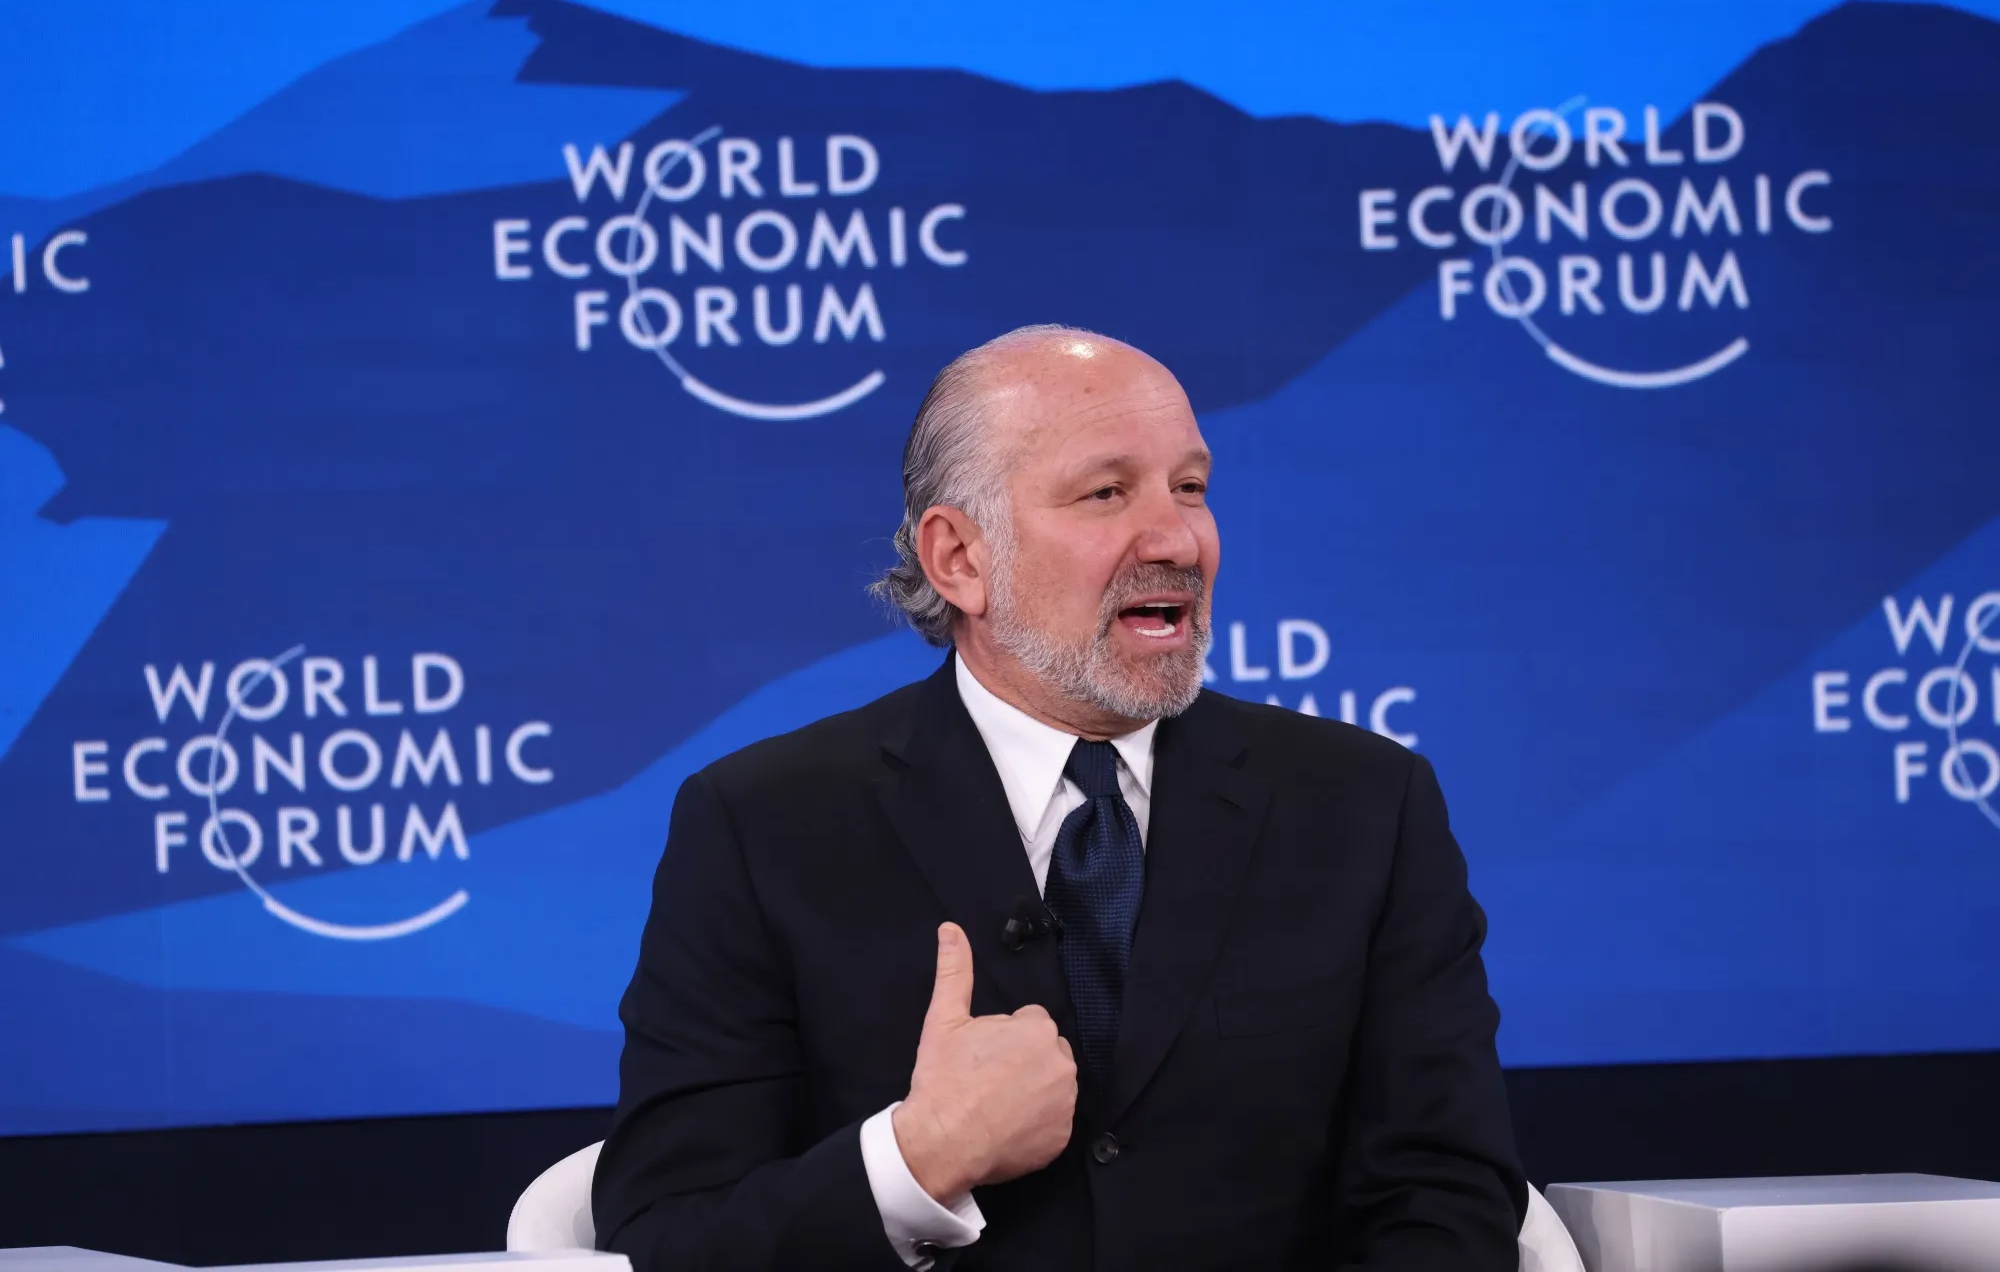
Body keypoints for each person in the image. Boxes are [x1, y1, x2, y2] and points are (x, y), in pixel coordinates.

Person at [592, 326, 1526, 1271]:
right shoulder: (765, 827)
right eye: (1106, 493)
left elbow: (1444, 1195)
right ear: (959, 558)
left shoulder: (1364, 807)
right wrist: (919, 1161)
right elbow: (669, 1233)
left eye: (1190, 487)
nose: (1178, 539)